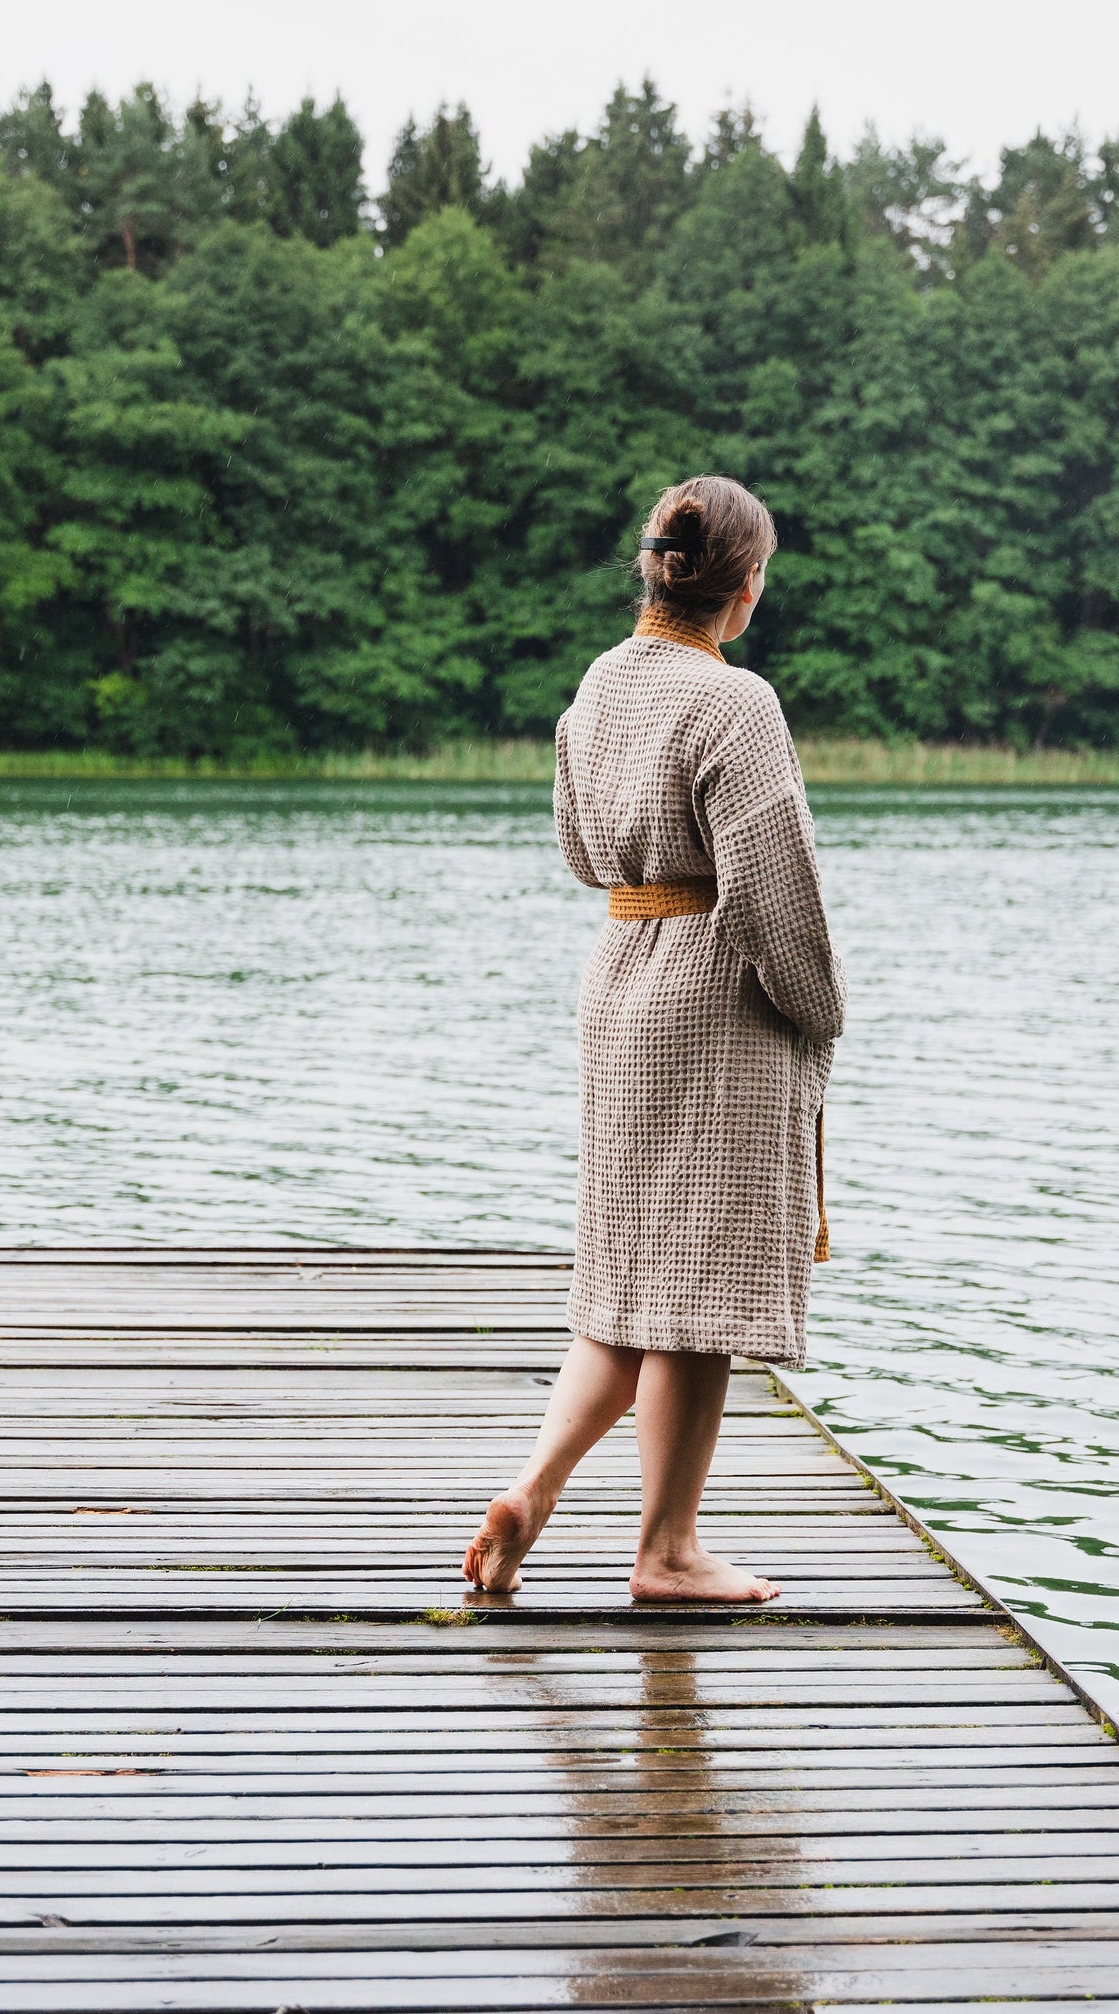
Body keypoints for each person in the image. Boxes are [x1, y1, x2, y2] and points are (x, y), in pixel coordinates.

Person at [463, 475, 845, 1603]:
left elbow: (582, 851)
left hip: (620, 975)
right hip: (713, 1002)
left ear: (653, 568)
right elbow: (772, 890)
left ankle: (532, 1486)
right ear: (744, 585)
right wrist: (819, 1006)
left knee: (623, 1280)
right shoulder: (737, 704)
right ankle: (666, 1549)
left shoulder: (598, 684)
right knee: (697, 1294)